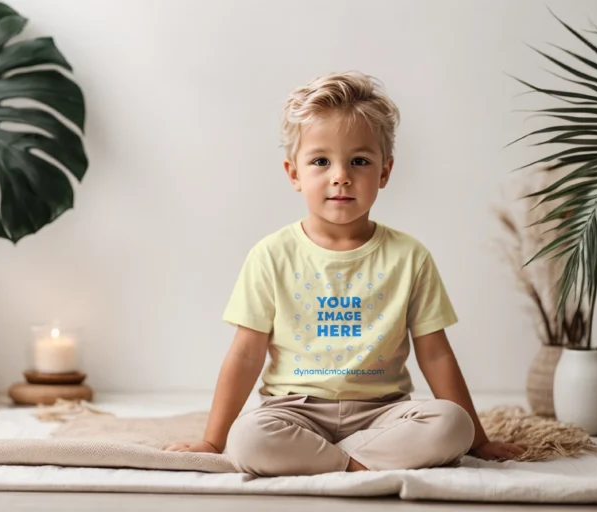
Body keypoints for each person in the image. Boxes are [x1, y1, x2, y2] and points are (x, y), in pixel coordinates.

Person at [165, 71, 525, 476]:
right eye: (321, 161)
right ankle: (362, 463)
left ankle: (326, 461)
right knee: (248, 438)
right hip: (295, 413)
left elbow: (436, 353)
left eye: (359, 161)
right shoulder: (270, 255)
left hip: (382, 414)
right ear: (294, 174)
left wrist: (478, 439)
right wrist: (213, 441)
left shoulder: (409, 257)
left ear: (384, 173)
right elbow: (246, 353)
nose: (341, 175)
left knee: (450, 425)